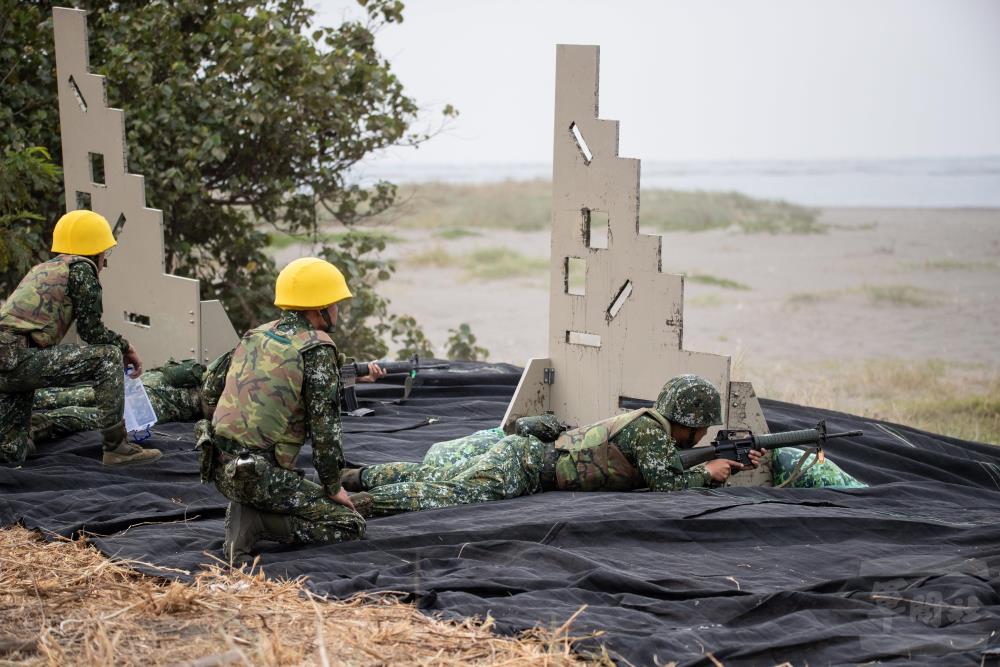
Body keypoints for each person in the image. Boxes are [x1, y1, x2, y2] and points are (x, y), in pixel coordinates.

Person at [340, 374, 766, 516]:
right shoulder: (651, 434)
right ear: (688, 423)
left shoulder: (644, 423)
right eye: (704, 429)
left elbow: (664, 467)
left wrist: (729, 462)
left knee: (433, 473)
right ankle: (356, 505)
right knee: (446, 495)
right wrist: (710, 474)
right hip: (525, 469)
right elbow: (668, 486)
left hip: (524, 454)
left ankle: (354, 476)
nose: (706, 437)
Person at [196, 257, 380, 562]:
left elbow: (209, 391)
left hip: (219, 468)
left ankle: (251, 506)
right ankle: (256, 522)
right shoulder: (317, 350)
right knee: (349, 524)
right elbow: (326, 432)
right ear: (319, 309)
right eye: (335, 303)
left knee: (291, 488)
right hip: (260, 478)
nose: (338, 310)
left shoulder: (258, 334)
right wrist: (333, 488)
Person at [0, 210, 160, 466]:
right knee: (107, 357)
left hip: (10, 362)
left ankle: (29, 429)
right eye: (104, 253)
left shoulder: (44, 269)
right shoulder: (81, 269)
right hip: (17, 358)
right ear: (96, 250)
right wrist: (126, 346)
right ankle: (116, 447)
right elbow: (92, 332)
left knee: (11, 454)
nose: (104, 261)